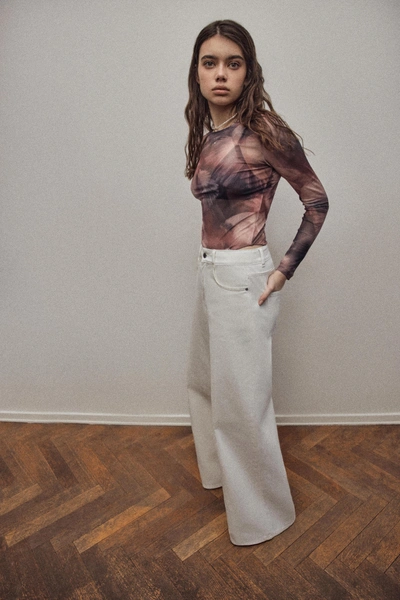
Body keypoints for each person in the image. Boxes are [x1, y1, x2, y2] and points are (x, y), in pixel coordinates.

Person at [185, 19, 328, 546]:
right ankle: (222, 477)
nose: (221, 73)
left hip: (243, 276)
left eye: (233, 63)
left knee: (243, 405)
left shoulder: (263, 131)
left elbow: (317, 201)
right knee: (203, 386)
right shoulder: (208, 132)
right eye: (210, 63)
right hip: (210, 271)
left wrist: (282, 270)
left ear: (249, 72)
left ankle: (263, 517)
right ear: (197, 74)